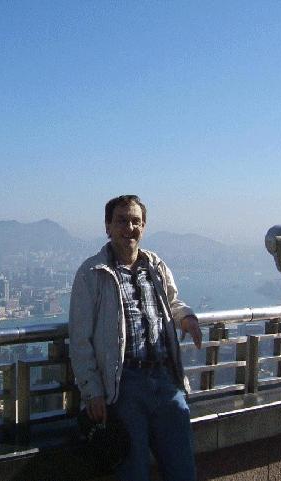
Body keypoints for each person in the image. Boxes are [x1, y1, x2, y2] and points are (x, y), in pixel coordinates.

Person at [69, 195, 203, 481]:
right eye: (121, 221)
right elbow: (80, 339)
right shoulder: (92, 273)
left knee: (183, 469)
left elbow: (172, 302)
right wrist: (92, 391)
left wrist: (186, 317)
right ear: (108, 227)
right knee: (134, 470)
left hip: (166, 381)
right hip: (124, 385)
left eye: (135, 221)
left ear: (144, 226)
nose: (129, 228)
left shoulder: (156, 266)